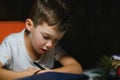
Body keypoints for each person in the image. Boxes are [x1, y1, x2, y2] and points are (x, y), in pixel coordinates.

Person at [0, 0, 83, 79]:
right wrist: (31, 75)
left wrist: (48, 73)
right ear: (29, 25)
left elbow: (77, 68)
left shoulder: (52, 45)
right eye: (46, 37)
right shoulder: (11, 44)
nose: (50, 45)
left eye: (56, 40)